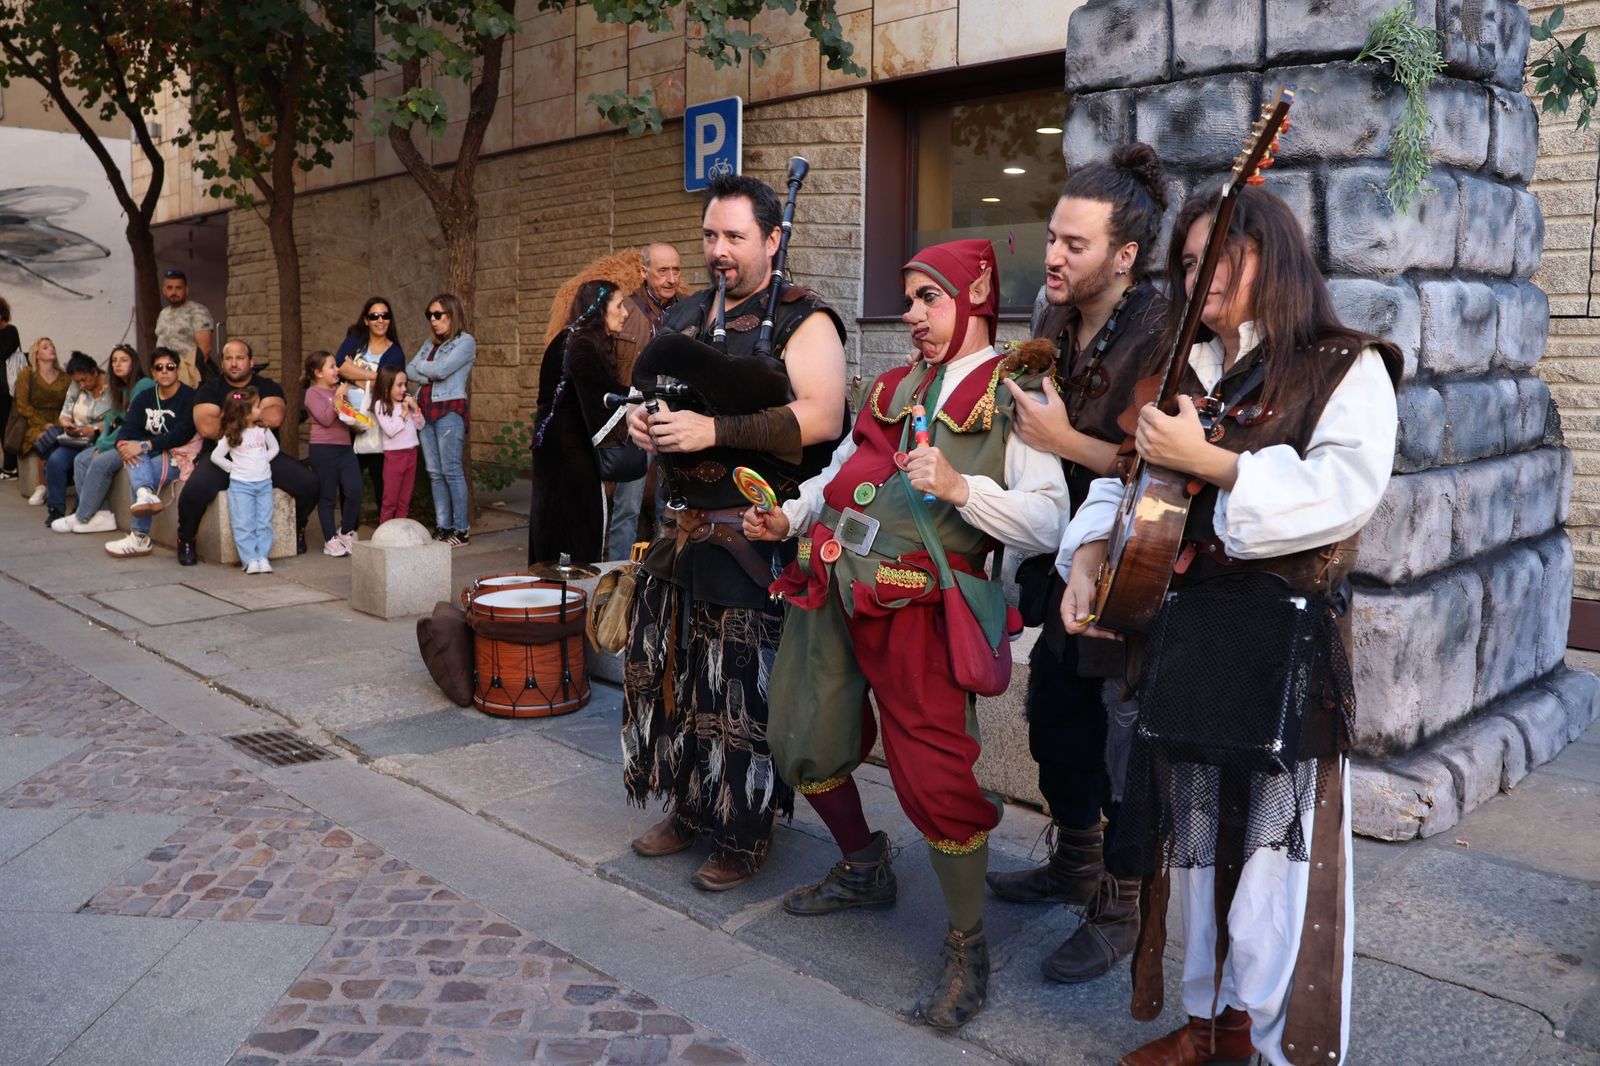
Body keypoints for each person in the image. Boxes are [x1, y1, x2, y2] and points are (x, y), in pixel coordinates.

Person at [1057, 184, 1401, 1066]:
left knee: (1277, 870)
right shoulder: (1186, 370)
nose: (1196, 277)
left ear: (1271, 259)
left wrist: (1216, 464)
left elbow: (1342, 493)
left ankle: (1269, 1041)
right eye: (1187, 261)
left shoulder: (1343, 366)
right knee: (1201, 848)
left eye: (1218, 257)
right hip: (1189, 643)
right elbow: (1120, 483)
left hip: (1281, 650)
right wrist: (1091, 552)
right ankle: (1211, 1027)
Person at [747, 238, 1066, 1031]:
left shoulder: (1016, 391)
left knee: (936, 782)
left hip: (922, 610)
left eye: (930, 298)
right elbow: (841, 471)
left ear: (976, 296)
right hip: (830, 584)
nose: (913, 315)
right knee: (801, 735)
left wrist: (963, 488)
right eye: (908, 298)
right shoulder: (892, 385)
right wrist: (793, 511)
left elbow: (1052, 516)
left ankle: (967, 945)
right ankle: (862, 865)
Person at [621, 173, 848, 891]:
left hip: (755, 537)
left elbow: (823, 417)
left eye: (734, 237)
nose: (719, 250)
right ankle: (691, 807)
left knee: (742, 697)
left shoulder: (805, 319)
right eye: (710, 236)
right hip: (683, 534)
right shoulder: (684, 312)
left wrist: (713, 428)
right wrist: (642, 421)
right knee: (682, 685)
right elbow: (649, 394)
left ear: (773, 240)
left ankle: (745, 828)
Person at [984, 143, 1172, 986]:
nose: (1053, 257)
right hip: (1056, 554)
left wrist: (1064, 442)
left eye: (1075, 245)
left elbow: (1158, 467)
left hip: (1131, 564)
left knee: (1120, 740)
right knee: (1053, 719)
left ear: (1125, 256)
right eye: (1053, 238)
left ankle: (1122, 904)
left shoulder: (1162, 329)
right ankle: (1074, 861)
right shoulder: (1052, 319)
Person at [175, 338, 317, 565]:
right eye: (228, 358)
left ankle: (297, 527)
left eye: (240, 358)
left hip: (261, 454)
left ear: (251, 361)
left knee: (309, 483)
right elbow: (207, 427)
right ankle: (186, 539)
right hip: (223, 456)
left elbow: (275, 417)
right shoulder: (209, 390)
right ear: (222, 363)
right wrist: (252, 416)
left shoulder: (268, 386)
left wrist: (228, 415)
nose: (234, 363)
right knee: (194, 491)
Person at [529, 280, 632, 565]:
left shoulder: (573, 338)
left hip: (558, 446)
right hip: (566, 452)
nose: (625, 313)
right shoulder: (581, 344)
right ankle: (568, 597)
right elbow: (600, 389)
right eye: (619, 305)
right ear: (600, 309)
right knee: (574, 524)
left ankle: (556, 592)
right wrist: (637, 399)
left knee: (555, 522)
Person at [610, 243, 686, 559]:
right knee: (627, 507)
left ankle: (660, 579)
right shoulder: (623, 310)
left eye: (676, 270)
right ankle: (614, 581)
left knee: (668, 508)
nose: (671, 279)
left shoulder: (690, 310)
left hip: (676, 417)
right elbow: (607, 366)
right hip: (636, 417)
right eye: (662, 271)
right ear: (644, 272)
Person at [103, 350, 197, 558]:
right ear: (153, 372)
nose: (165, 372)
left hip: (178, 456)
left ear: (178, 370)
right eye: (159, 367)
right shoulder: (145, 397)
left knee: (137, 470)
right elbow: (128, 428)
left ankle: (140, 537)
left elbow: (181, 434)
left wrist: (143, 446)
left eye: (170, 367)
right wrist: (122, 445)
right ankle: (145, 495)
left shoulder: (189, 397)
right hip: (151, 454)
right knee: (135, 458)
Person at [53, 345, 150, 534]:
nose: (117, 364)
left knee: (100, 462)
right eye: (114, 360)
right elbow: (111, 419)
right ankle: (102, 515)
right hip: (118, 441)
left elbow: (129, 425)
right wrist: (100, 443)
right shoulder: (121, 388)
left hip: (136, 443)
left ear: (134, 362)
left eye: (123, 360)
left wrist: (104, 446)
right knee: (81, 460)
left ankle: (82, 515)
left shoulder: (143, 385)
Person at [407, 294, 476, 546]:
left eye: (438, 315)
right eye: (430, 315)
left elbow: (441, 370)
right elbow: (408, 370)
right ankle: (443, 526)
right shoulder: (429, 343)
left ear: (452, 314)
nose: (433, 321)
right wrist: (431, 371)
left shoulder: (465, 342)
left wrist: (427, 369)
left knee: (451, 471)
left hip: (449, 411)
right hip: (425, 411)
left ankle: (461, 530)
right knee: (435, 473)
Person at [335, 295, 406, 519]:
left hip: (377, 423)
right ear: (366, 320)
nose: (380, 320)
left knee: (380, 479)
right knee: (348, 481)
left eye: (385, 315)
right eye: (374, 316)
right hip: (347, 420)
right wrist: (374, 376)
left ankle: (387, 528)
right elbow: (338, 365)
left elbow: (388, 385)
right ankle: (349, 529)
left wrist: (353, 376)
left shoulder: (395, 352)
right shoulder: (356, 339)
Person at [210, 386, 281, 574]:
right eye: (257, 406)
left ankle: (262, 556)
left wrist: (263, 460)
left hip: (264, 483)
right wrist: (233, 467)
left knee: (264, 522)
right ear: (245, 413)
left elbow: (274, 448)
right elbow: (216, 456)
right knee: (243, 523)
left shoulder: (263, 430)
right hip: (241, 486)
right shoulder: (232, 434)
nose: (261, 409)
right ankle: (249, 559)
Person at [302, 350, 363, 556]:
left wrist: (358, 422)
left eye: (337, 366)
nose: (337, 370)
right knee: (327, 496)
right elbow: (326, 419)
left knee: (355, 490)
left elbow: (347, 418)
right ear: (318, 373)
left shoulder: (339, 391)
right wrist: (339, 397)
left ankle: (346, 531)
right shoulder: (313, 394)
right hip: (323, 449)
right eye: (332, 366)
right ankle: (330, 539)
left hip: (345, 447)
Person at [41, 352, 112, 526]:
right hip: (76, 438)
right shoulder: (76, 385)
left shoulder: (111, 386)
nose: (82, 384)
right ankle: (56, 510)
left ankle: (80, 510)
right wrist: (67, 424)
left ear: (95, 372)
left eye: (85, 379)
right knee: (55, 461)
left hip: (99, 438)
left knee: (83, 462)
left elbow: (117, 419)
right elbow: (65, 413)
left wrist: (95, 429)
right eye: (78, 381)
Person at [17, 337, 69, 504]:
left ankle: (53, 484)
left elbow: (70, 403)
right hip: (33, 421)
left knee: (56, 435)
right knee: (44, 437)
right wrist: (42, 424)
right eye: (45, 347)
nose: (51, 349)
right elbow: (22, 405)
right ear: (36, 354)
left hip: (60, 419)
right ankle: (42, 486)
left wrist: (60, 422)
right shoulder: (28, 374)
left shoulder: (64, 377)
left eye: (52, 346)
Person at [372, 364, 424, 524]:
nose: (403, 389)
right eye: (399, 385)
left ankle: (401, 531)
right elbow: (390, 430)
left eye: (405, 384)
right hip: (394, 456)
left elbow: (421, 425)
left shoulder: (407, 405)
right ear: (387, 386)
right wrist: (403, 413)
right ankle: (385, 534)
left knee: (405, 499)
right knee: (390, 499)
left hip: (411, 454)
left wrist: (415, 410)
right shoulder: (381, 405)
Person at [154, 269, 216, 387]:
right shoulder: (163, 313)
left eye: (178, 288)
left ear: (186, 290)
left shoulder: (197, 311)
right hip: (163, 373)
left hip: (187, 376)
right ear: (164, 290)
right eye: (170, 288)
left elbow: (205, 350)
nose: (174, 292)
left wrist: (190, 377)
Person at [0, 297, 21, 479]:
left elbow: (3, 353)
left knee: (7, 425)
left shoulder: (10, 331)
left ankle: (10, 466)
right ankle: (8, 466)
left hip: (6, 388)